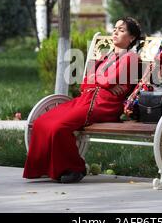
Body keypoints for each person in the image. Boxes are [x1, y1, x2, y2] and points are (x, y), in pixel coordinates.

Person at [23, 17, 142, 183]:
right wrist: (101, 80)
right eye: (115, 28)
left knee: (59, 127)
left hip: (103, 106)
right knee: (41, 122)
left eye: (121, 30)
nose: (115, 32)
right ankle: (45, 168)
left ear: (132, 38)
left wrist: (100, 79)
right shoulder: (106, 56)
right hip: (85, 99)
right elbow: (85, 82)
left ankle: (75, 168)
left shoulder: (131, 58)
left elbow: (107, 81)